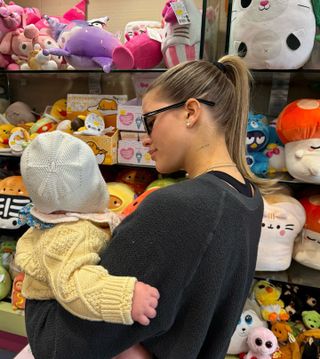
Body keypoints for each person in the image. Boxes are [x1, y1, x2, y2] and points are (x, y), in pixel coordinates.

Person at [24, 56, 266, 359]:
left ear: (191, 112)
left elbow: (58, 345)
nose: (146, 139)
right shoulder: (249, 198)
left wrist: (39, 273)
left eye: (150, 121)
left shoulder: (179, 207)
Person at [15, 131, 159, 358]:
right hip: (52, 323)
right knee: (124, 347)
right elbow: (73, 284)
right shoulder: (70, 236)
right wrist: (124, 296)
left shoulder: (68, 217)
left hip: (56, 307)